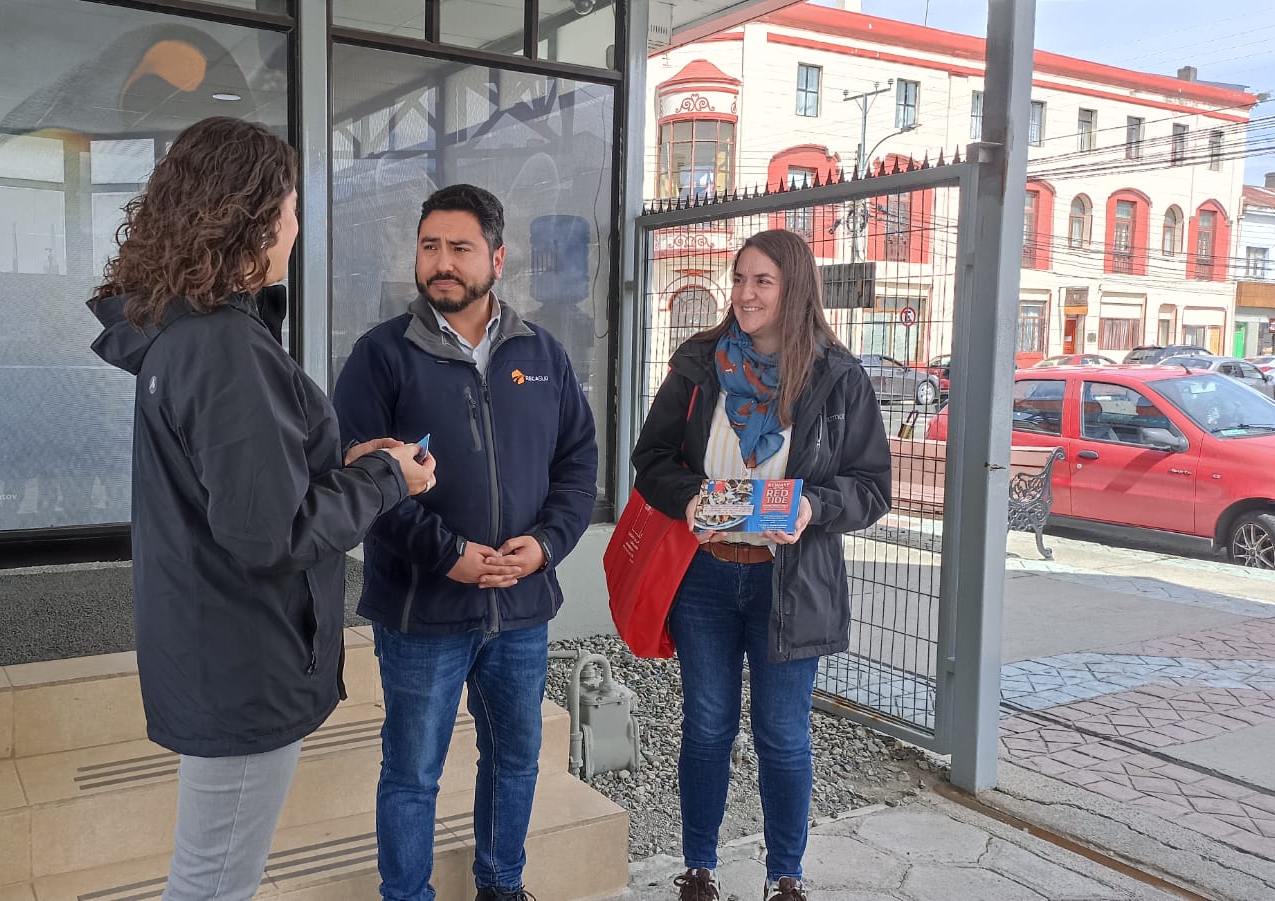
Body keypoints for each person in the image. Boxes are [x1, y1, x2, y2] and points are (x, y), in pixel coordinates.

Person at [87, 116, 436, 901]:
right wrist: (388, 478)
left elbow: (247, 491)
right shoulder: (225, 347)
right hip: (243, 664)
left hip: (216, 651)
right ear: (253, 218)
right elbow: (270, 535)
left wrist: (335, 464)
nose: (297, 226)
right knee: (213, 885)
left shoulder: (185, 335)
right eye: (291, 207)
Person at [333, 184, 599, 901]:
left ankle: (501, 885)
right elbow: (359, 476)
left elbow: (579, 463)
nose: (441, 263)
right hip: (423, 611)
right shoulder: (379, 356)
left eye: (459, 248)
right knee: (413, 771)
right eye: (429, 247)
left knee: (515, 759)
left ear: (498, 258)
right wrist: (446, 552)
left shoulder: (542, 354)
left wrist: (546, 544)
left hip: (521, 607)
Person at [630, 229, 892, 901]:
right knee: (707, 723)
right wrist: (690, 499)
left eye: (762, 281)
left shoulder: (838, 376)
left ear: (794, 288)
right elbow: (651, 458)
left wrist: (816, 508)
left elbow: (871, 484)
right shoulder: (699, 363)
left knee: (781, 732)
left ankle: (785, 877)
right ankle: (699, 866)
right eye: (740, 278)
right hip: (706, 574)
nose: (745, 293)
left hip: (791, 580)